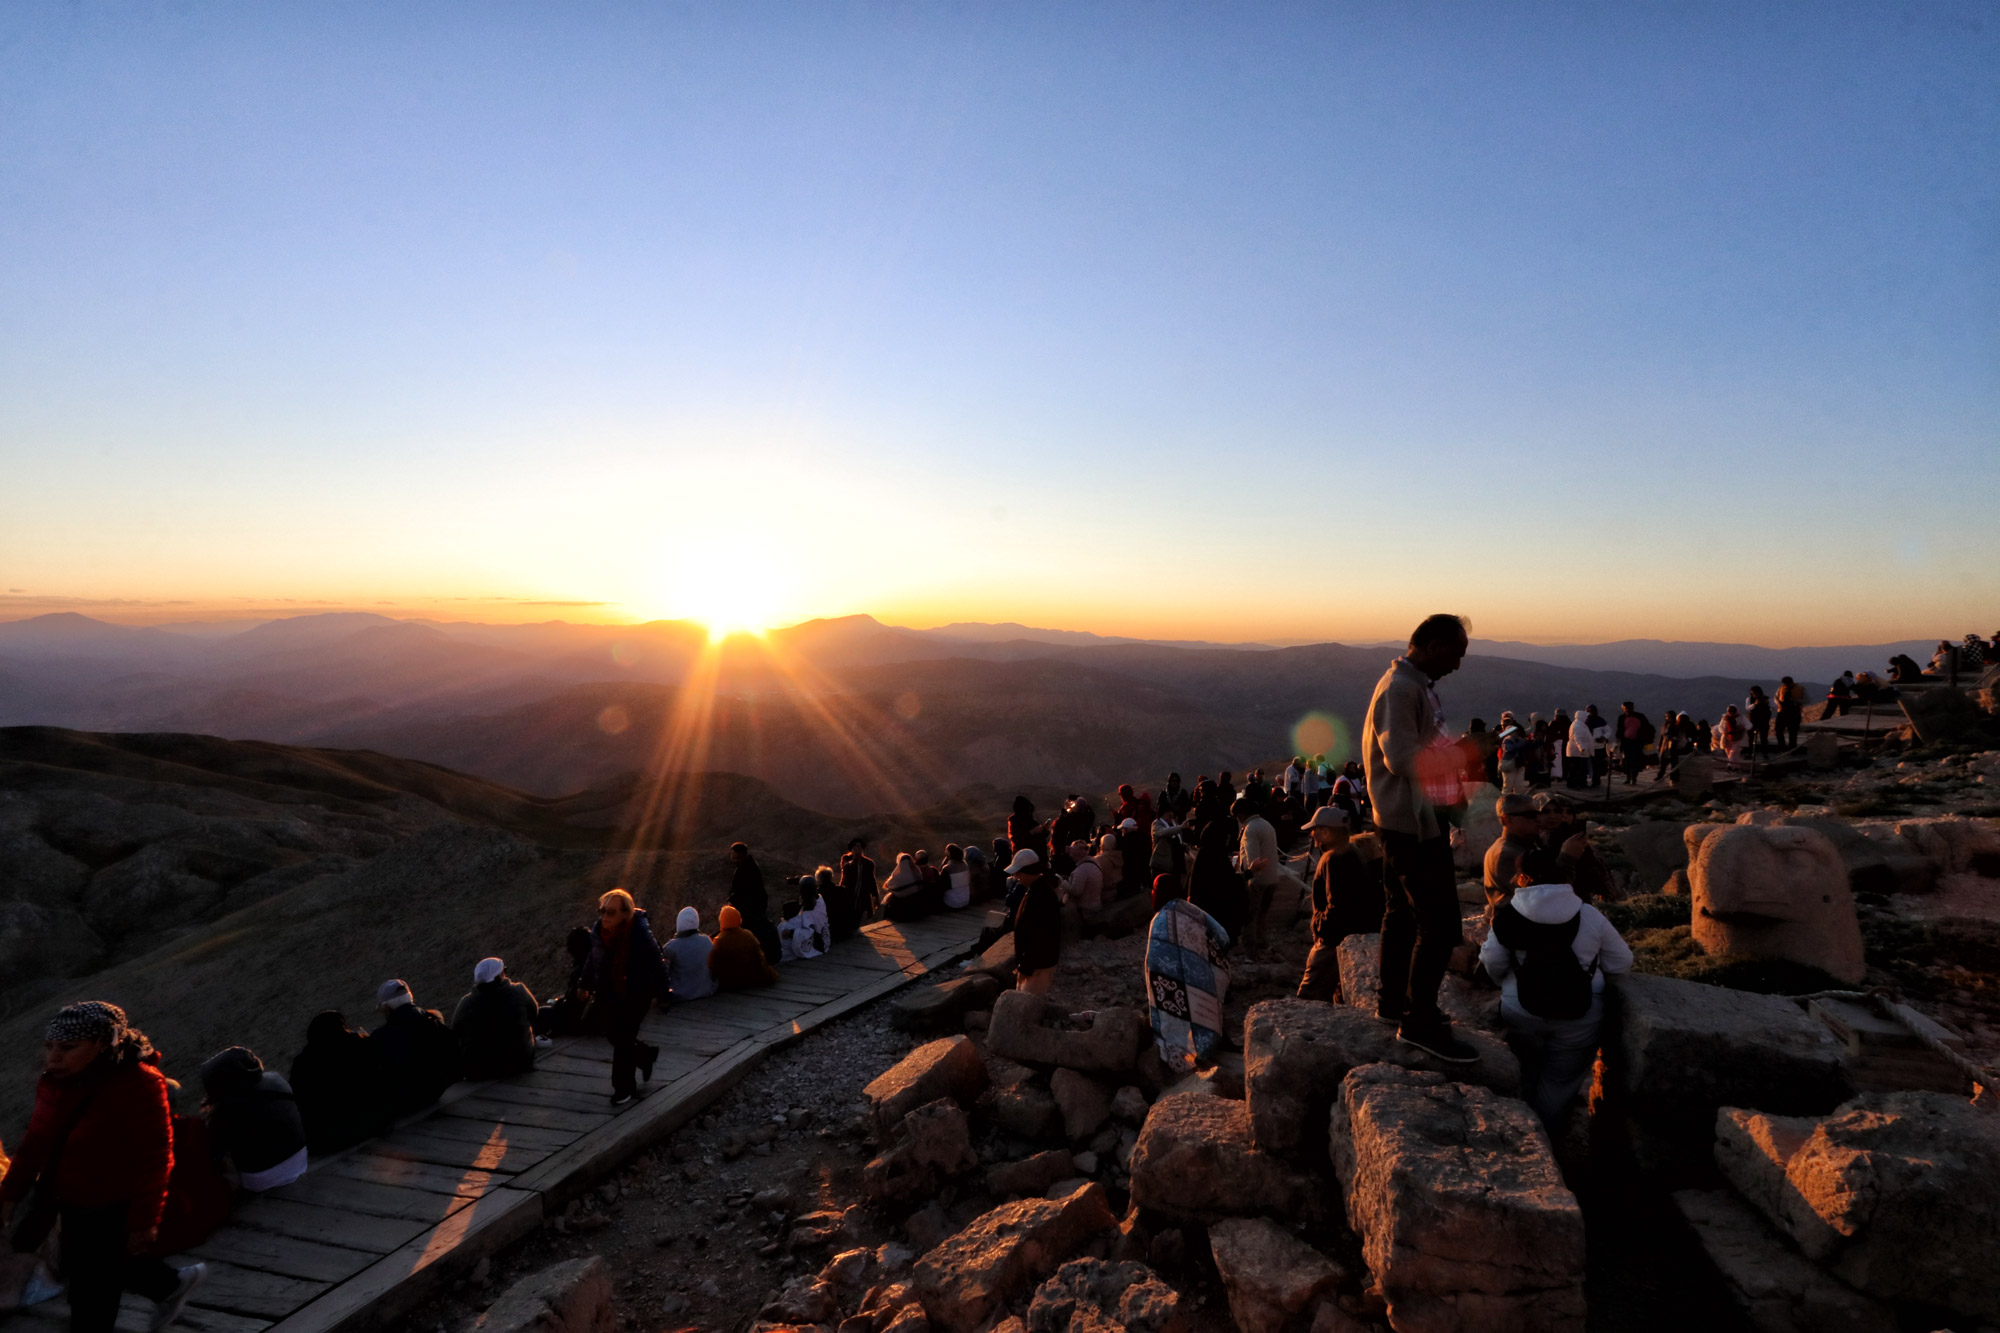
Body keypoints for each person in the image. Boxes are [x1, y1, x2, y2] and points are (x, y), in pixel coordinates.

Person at [0, 1002, 206, 1333]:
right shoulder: (54, 1081)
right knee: (97, 1267)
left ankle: (164, 1288)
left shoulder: (140, 1084)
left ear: (100, 1044)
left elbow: (156, 1157)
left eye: (67, 1048)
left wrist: (144, 1221)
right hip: (69, 1200)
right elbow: (35, 1141)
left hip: (114, 1204)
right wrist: (10, 1193)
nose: (53, 1057)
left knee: (92, 1291)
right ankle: (170, 1286)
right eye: (49, 1047)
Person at [1364, 613, 1478, 1063]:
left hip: (1410, 819)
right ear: (1431, 646)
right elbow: (1402, 759)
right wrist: (1465, 753)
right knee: (1440, 924)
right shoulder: (1401, 688)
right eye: (1456, 653)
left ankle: (1393, 1004)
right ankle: (1420, 1023)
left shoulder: (1415, 684)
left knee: (1402, 912)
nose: (1458, 664)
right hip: (1411, 824)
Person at [1479, 848, 1634, 1130]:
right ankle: (1547, 1136)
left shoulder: (1508, 916)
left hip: (1521, 1008)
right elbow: (1622, 962)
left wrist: (1509, 984)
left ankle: (1521, 1132)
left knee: (1525, 1071)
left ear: (1523, 878)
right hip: (1580, 1012)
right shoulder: (1589, 915)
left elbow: (1493, 962)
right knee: (1558, 1082)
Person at [581, 889, 670, 1106]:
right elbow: (594, 958)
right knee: (615, 1035)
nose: (604, 916)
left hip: (637, 992)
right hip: (610, 990)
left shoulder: (639, 934)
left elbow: (657, 964)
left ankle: (623, 1089)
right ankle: (645, 1056)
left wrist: (663, 995)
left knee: (623, 1039)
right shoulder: (599, 931)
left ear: (626, 914)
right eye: (602, 911)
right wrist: (584, 983)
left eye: (610, 912)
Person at [1143, 873, 1232, 1070]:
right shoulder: (1194, 911)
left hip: (1173, 982)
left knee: (1175, 1015)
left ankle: (1181, 1056)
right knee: (1202, 1012)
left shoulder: (1159, 920)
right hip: (1204, 979)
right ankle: (1207, 1045)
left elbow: (1154, 965)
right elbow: (1223, 938)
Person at [1295, 809, 1384, 1001]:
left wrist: (1320, 928)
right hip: (1349, 935)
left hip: (1331, 941)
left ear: (1326, 831)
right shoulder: (1352, 851)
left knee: (1308, 997)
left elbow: (1337, 906)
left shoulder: (1333, 858)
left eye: (1315, 830)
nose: (1312, 834)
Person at [196, 1047, 306, 1193]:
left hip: (260, 1179)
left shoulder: (225, 1110)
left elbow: (217, 1153)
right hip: (299, 1160)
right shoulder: (276, 1079)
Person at [289, 1011, 391, 1156]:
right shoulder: (360, 1044)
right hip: (372, 1124)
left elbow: (299, 1103)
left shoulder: (302, 1063)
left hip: (329, 1140)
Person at [372, 980, 462, 1117]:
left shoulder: (381, 1036)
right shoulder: (433, 1021)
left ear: (387, 1008)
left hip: (406, 1101)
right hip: (435, 1091)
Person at [452, 958, 540, 1081]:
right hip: (519, 1061)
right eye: (504, 970)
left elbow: (455, 1031)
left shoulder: (466, 1003)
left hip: (479, 1068)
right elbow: (534, 1013)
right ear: (500, 976)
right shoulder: (519, 991)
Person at [1186, 815, 1247, 947]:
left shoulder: (1206, 854)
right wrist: (1249, 873)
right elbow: (1227, 884)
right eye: (1226, 835)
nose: (1228, 838)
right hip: (1215, 912)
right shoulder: (1214, 856)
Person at [1009, 849, 1063, 996]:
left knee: (1027, 1002)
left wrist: (1026, 967)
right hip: (1035, 963)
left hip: (1038, 965)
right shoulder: (1038, 889)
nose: (1015, 877)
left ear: (1027, 872)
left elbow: (1040, 936)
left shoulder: (1040, 896)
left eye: (1017, 873)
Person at [1482, 793, 1541, 913]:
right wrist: (1567, 859)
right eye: (1530, 815)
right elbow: (1539, 895)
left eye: (1538, 814)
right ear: (1506, 819)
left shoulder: (1523, 845)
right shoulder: (1506, 855)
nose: (1538, 819)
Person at [1236, 797, 1282, 947]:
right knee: (1263, 914)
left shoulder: (1250, 829)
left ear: (1241, 815)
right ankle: (1263, 942)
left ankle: (1251, 948)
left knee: (1251, 916)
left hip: (1258, 880)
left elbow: (1252, 858)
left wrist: (1250, 879)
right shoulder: (1266, 825)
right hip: (1272, 877)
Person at [727, 843, 782, 965]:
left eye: (738, 858)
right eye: (734, 857)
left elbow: (745, 892)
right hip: (751, 909)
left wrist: (732, 903)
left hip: (750, 911)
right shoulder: (746, 867)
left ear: (745, 855)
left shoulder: (749, 869)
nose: (736, 860)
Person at [708, 904, 779, 990]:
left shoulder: (719, 940)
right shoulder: (748, 935)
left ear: (722, 921)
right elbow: (760, 958)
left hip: (730, 983)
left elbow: (712, 965)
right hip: (752, 979)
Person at [663, 906, 718, 999]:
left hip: (680, 995)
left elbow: (662, 973)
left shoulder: (671, 947)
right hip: (706, 991)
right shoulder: (707, 941)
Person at [1059, 839, 1107, 936]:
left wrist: (1062, 882)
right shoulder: (1094, 863)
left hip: (1085, 909)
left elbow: (1076, 891)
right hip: (1095, 904)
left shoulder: (1081, 870)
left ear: (1075, 855)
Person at [831, 839, 873, 938]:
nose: (857, 849)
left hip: (862, 895)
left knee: (858, 914)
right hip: (847, 893)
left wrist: (875, 896)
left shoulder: (869, 863)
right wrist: (855, 860)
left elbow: (871, 880)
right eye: (855, 847)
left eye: (860, 847)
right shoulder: (846, 860)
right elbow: (845, 872)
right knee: (847, 913)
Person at [879, 852, 931, 922]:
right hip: (918, 906)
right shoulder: (917, 872)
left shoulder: (898, 875)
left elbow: (888, 885)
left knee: (890, 899)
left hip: (903, 907)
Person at [1615, 702, 1653, 786]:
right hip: (1626, 742)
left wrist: (1646, 740)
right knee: (1627, 761)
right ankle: (1628, 778)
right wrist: (1619, 740)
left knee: (1635, 761)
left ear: (1632, 708)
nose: (1627, 709)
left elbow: (1648, 728)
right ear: (1623, 708)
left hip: (1637, 742)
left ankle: (1634, 778)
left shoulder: (1640, 717)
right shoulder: (1621, 718)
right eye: (1625, 708)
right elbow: (1619, 729)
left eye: (1629, 708)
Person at [1007, 796, 1049, 870]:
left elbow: (1039, 838)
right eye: (1027, 811)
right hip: (1024, 860)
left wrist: (1044, 830)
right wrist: (1032, 832)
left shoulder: (1031, 820)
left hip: (1038, 857)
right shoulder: (1014, 822)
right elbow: (1017, 840)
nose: (1029, 813)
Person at [796, 874, 832, 951]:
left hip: (815, 948)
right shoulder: (820, 900)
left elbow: (805, 934)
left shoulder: (807, 912)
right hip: (826, 942)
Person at [1774, 676, 1806, 749]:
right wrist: (1779, 703)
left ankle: (1792, 748)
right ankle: (1782, 747)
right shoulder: (1781, 688)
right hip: (1782, 711)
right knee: (1779, 731)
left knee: (1793, 732)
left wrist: (1794, 700)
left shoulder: (1800, 688)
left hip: (1794, 712)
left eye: (1786, 684)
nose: (1785, 685)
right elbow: (1776, 697)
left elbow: (1805, 700)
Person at [941, 845, 973, 910]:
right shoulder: (965, 865)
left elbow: (942, 886)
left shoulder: (947, 869)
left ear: (948, 855)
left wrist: (945, 860)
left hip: (952, 903)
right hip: (966, 901)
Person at [1745, 686, 1772, 759]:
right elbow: (1748, 708)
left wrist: (1768, 703)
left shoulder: (1766, 698)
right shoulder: (1749, 699)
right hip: (1753, 720)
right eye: (1752, 693)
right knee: (1750, 738)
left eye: (1755, 693)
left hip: (1763, 720)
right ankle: (1750, 753)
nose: (1754, 695)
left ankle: (1765, 753)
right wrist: (1755, 704)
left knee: (1764, 737)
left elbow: (1775, 707)